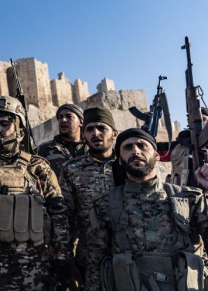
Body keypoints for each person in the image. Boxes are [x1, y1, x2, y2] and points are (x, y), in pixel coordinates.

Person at [0, 96, 71, 291]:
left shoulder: (38, 166)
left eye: (5, 123)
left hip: (36, 266)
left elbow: (58, 213)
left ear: (18, 127)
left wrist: (62, 257)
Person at [86, 128, 208, 291]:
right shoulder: (105, 204)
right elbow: (96, 262)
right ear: (120, 160)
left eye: (142, 146)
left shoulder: (190, 198)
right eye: (128, 148)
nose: (135, 151)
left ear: (157, 155)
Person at [59, 106, 118, 285]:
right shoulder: (71, 169)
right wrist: (67, 259)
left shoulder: (128, 165)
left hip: (130, 256)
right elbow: (64, 217)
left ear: (114, 133)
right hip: (90, 261)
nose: (96, 133)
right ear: (83, 135)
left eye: (102, 128)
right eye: (90, 129)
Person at [36, 104, 85, 179]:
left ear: (81, 122)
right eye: (60, 117)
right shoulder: (42, 150)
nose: (63, 120)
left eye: (69, 116)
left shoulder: (90, 149)